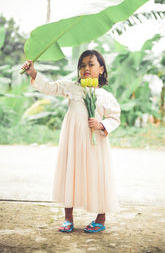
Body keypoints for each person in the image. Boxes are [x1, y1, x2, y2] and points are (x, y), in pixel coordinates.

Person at [21, 49, 120, 233]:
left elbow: (115, 118)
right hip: (72, 140)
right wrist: (33, 73)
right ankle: (68, 218)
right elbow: (50, 87)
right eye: (82, 65)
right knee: (70, 172)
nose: (86, 68)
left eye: (91, 64)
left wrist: (101, 124)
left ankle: (101, 217)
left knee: (96, 174)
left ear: (101, 69)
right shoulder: (73, 88)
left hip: (94, 143)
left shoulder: (106, 96)